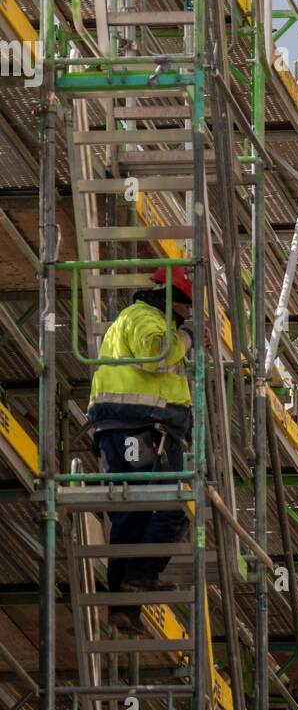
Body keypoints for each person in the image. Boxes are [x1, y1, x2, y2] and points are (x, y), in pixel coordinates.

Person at [86, 267, 196, 631]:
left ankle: (123, 607)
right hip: (144, 427)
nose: (186, 315)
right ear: (174, 301)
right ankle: (139, 579)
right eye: (185, 308)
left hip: (120, 428)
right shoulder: (146, 317)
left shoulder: (128, 320)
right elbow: (156, 354)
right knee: (171, 510)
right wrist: (187, 339)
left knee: (131, 519)